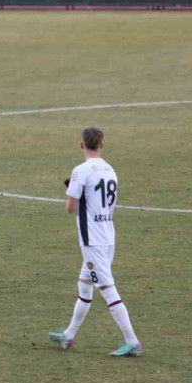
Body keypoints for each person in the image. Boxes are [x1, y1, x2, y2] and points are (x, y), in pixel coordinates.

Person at [50, 127, 143, 357]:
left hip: (92, 240)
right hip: (108, 234)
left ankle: (132, 341)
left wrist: (76, 195)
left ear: (82, 145)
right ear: (101, 144)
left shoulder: (81, 171)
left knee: (107, 289)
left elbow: (70, 208)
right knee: (84, 283)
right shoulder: (110, 170)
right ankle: (69, 334)